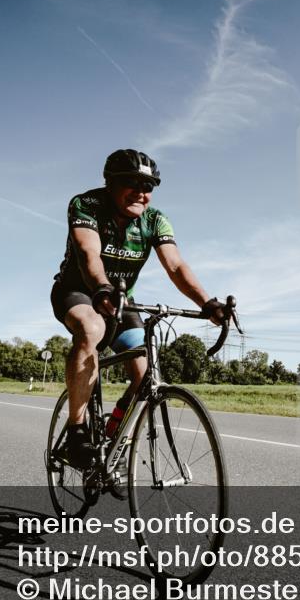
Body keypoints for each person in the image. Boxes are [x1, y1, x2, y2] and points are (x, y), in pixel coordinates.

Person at [50, 149, 226, 473]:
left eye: (148, 187)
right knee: (91, 329)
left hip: (121, 302)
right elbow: (90, 254)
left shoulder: (155, 220)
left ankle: (110, 438)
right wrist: (100, 287)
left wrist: (207, 303)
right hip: (78, 291)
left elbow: (175, 266)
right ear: (110, 183)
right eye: (131, 183)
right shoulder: (86, 205)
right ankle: (76, 433)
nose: (141, 193)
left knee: (146, 374)